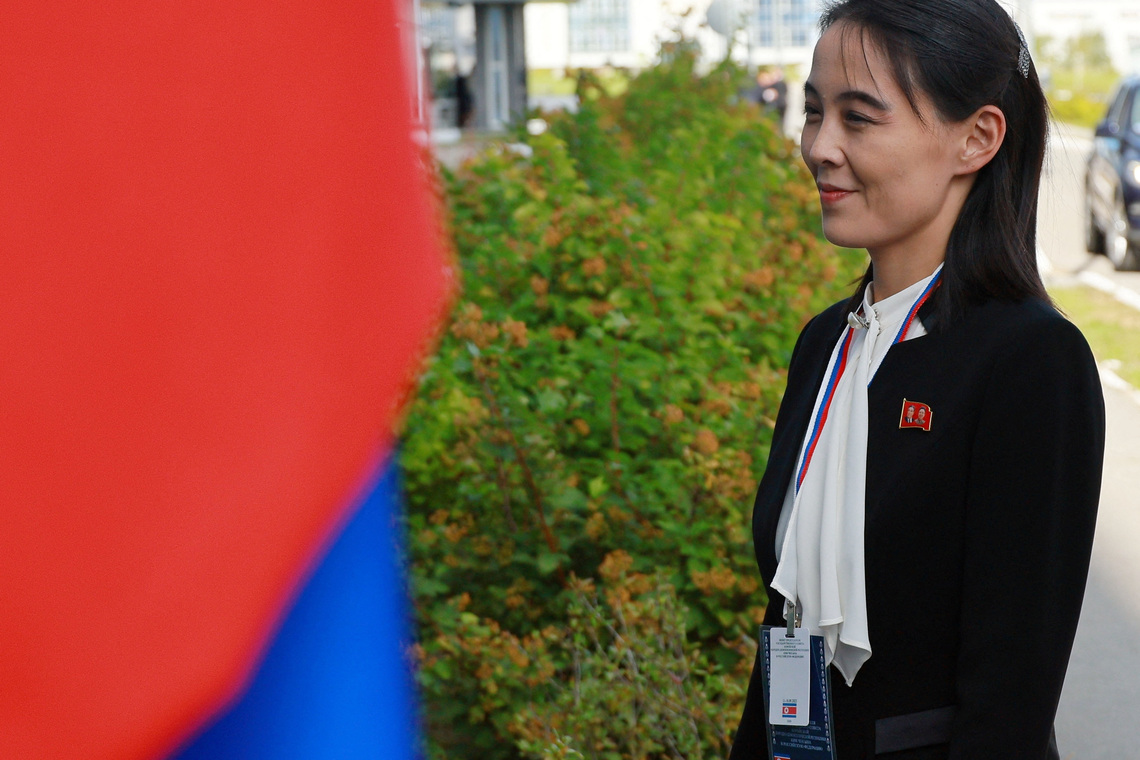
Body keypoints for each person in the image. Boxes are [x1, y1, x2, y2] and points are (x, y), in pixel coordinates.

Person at [728, 1, 1106, 759]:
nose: (819, 147)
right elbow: (786, 634)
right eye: (812, 112)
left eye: (858, 118)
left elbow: (1010, 701)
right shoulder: (826, 344)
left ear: (977, 137)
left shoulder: (1030, 362)